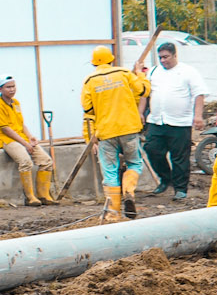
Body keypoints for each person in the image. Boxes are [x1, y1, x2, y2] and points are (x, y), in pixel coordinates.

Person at [81, 47, 150, 221]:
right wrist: (140, 74)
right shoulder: (124, 73)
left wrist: (90, 137)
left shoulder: (90, 80)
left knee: (110, 172)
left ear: (94, 63)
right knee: (134, 163)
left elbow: (88, 109)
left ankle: (113, 214)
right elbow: (143, 91)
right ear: (112, 60)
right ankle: (128, 190)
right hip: (129, 129)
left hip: (106, 132)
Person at [143, 42, 208, 201]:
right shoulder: (153, 72)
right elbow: (144, 94)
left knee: (179, 157)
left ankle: (180, 189)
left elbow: (199, 94)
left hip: (180, 122)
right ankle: (166, 179)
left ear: (174, 55)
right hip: (157, 121)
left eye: (166, 57)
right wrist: (140, 113)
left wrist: (198, 116)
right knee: (152, 150)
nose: (163, 61)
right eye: (160, 58)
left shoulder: (188, 72)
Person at [0, 76, 56, 205]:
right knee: (25, 161)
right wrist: (25, 144)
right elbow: (6, 129)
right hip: (6, 139)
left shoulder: (16, 103)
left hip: (21, 138)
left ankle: (43, 195)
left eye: (13, 86)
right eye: (8, 87)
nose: (12, 89)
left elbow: (21, 124)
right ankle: (30, 197)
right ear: (1, 89)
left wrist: (30, 137)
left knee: (46, 161)